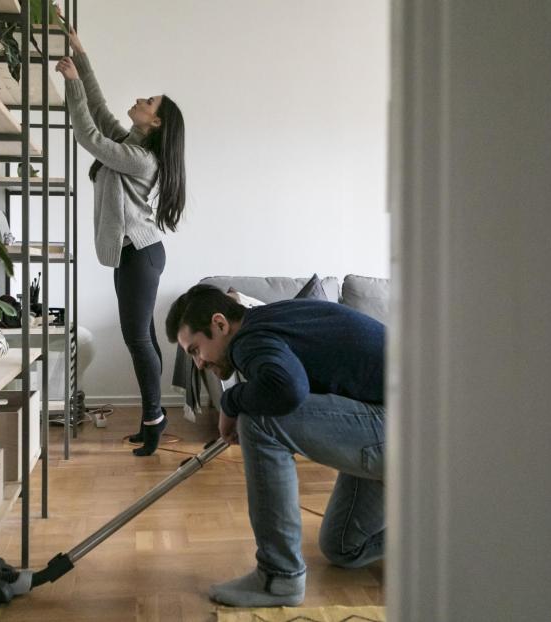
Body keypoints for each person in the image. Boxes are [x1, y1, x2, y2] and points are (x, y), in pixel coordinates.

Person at [165, 284, 385, 607]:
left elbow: (288, 389)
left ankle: (278, 578)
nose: (198, 364)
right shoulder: (267, 321)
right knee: (342, 547)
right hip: (403, 426)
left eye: (195, 350)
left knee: (257, 419)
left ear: (220, 324)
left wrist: (230, 402)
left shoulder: (248, 341)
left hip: (410, 430)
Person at [56, 28, 186, 457]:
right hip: (136, 254)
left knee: (137, 339)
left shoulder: (141, 159)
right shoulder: (130, 142)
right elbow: (99, 111)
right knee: (142, 336)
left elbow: (89, 137)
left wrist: (71, 83)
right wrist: (82, 56)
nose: (140, 100)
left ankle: (153, 419)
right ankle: (154, 416)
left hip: (140, 255)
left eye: (148, 102)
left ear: (156, 122)